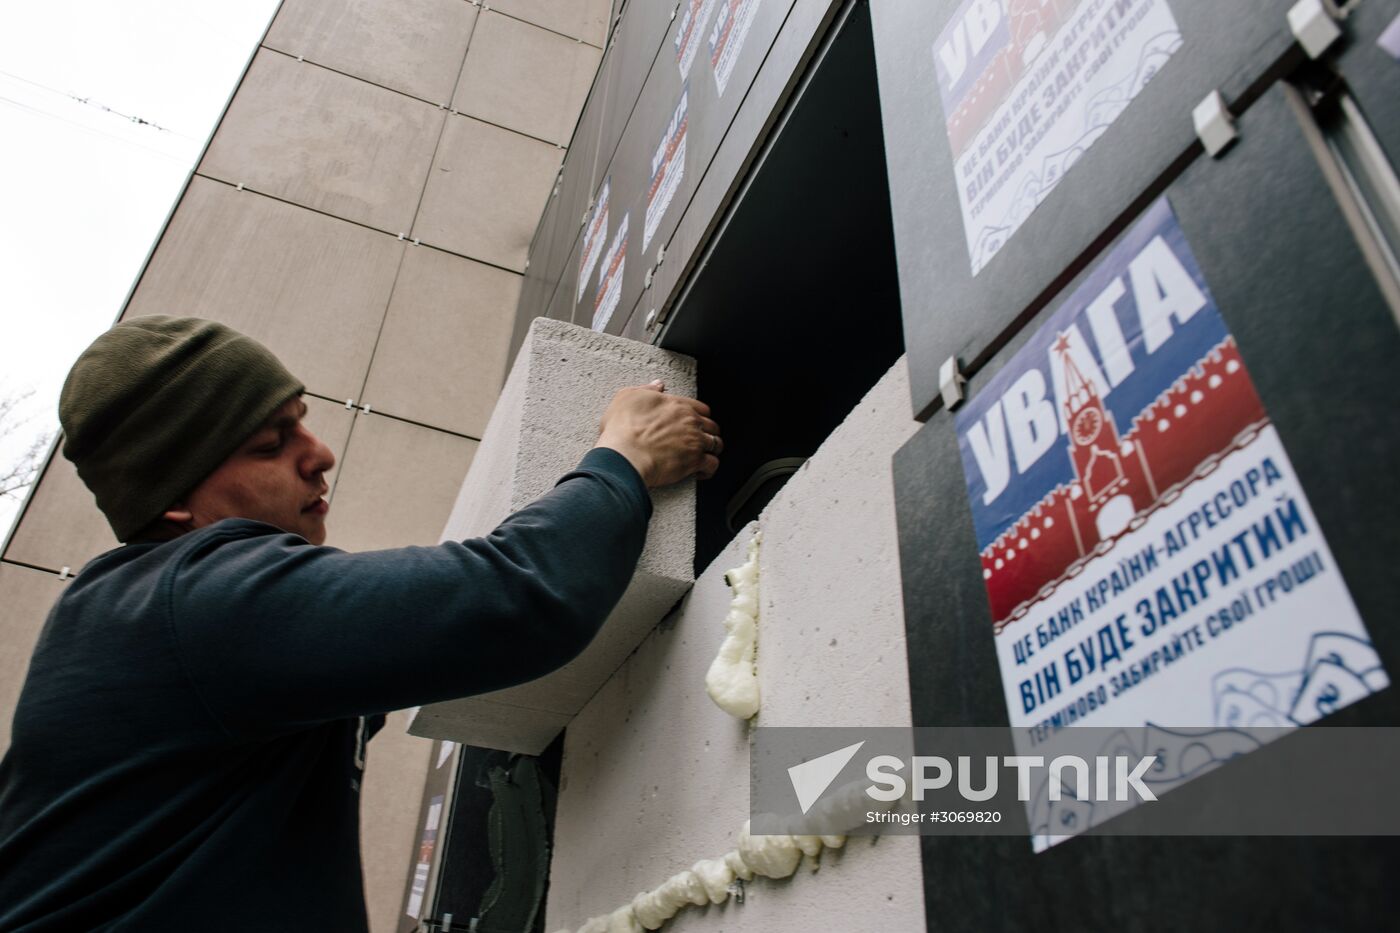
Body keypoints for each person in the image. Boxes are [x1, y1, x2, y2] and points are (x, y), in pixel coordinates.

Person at [0, 315, 722, 932]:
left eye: (301, 421)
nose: (319, 455)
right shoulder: (194, 601)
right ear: (172, 502)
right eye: (271, 444)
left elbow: (438, 630)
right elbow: (513, 596)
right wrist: (623, 460)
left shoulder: (177, 630)